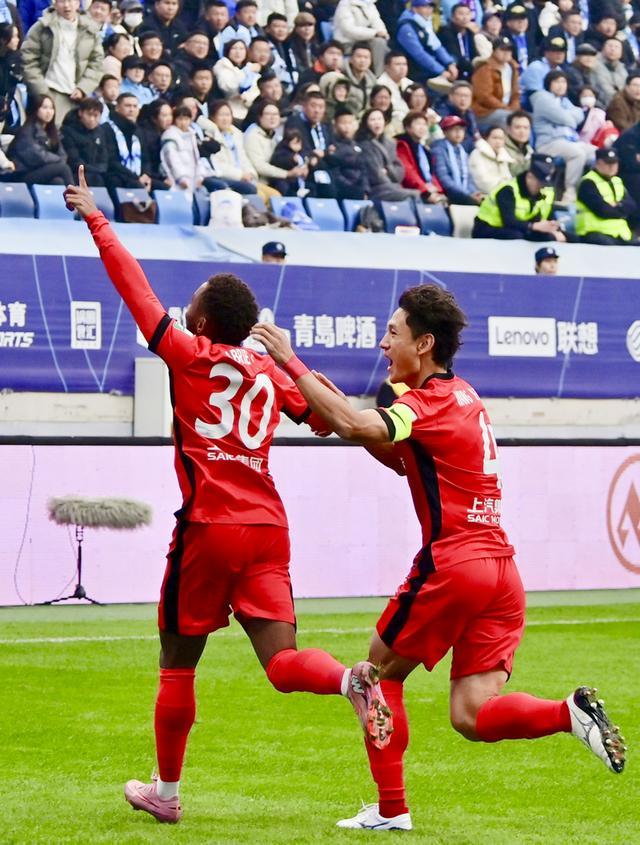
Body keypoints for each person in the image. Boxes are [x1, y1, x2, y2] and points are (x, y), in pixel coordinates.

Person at [64, 166, 391, 825]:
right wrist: (297, 366)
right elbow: (325, 416)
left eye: (193, 299)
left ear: (204, 318)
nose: (184, 304)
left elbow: (133, 287)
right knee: (283, 661)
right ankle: (345, 678)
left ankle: (166, 793)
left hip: (210, 525)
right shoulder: (269, 369)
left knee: (177, 660)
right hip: (268, 526)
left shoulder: (188, 352)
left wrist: (96, 218)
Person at [251, 285, 626, 833]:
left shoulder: (426, 403)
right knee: (471, 714)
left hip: (455, 563)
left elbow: (358, 425)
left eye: (393, 333)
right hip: (501, 573)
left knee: (376, 675)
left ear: (424, 344)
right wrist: (330, 407)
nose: (384, 344)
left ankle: (391, 810)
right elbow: (401, 457)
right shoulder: (463, 396)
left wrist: (291, 361)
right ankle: (567, 713)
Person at [21, 0, 104, 126]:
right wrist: (41, 90)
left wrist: (83, 88)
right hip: (50, 92)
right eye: (61, 1)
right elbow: (28, 59)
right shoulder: (42, 27)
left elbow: (97, 63)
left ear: (78, 3)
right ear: (54, 3)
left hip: (78, 95)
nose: (66, 5)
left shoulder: (91, 29)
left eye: (71, 1)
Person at [531, 69, 596, 203]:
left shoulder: (564, 101)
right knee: (577, 154)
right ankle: (570, 191)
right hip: (548, 143)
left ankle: (590, 190)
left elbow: (579, 114)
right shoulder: (542, 98)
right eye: (557, 82)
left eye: (563, 82)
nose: (561, 85)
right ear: (549, 84)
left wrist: (569, 117)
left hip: (569, 141)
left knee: (595, 153)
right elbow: (567, 119)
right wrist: (570, 118)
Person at [472, 153, 565, 240]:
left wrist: (553, 227)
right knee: (518, 235)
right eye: (539, 182)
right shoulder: (508, 190)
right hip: (488, 227)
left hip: (519, 227)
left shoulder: (545, 191)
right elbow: (509, 221)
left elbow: (547, 215)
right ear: (529, 177)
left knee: (557, 236)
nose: (542, 187)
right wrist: (534, 226)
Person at [575, 147, 638, 244]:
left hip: (621, 234)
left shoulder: (617, 181)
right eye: (608, 163)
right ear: (598, 163)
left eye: (615, 163)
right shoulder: (588, 182)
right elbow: (602, 210)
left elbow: (632, 206)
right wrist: (621, 208)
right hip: (595, 232)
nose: (612, 167)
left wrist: (617, 205)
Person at [8, 92, 73, 184]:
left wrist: (58, 160)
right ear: (36, 109)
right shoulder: (26, 131)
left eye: (51, 108)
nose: (49, 112)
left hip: (41, 170)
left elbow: (62, 154)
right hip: (23, 174)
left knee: (57, 182)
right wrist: (58, 160)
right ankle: (75, 193)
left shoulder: (52, 132)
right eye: (44, 108)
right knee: (63, 168)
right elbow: (36, 156)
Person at [357, 106, 420, 200]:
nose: (377, 122)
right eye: (373, 120)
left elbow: (400, 170)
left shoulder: (390, 143)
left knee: (416, 195)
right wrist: (390, 177)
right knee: (412, 195)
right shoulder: (363, 143)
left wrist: (388, 170)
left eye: (380, 119)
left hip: (392, 186)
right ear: (366, 123)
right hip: (375, 188)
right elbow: (375, 173)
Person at [395, 0, 457, 92]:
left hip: (430, 70)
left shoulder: (425, 23)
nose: (429, 10)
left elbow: (437, 46)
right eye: (425, 7)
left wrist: (450, 63)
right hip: (415, 72)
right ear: (415, 8)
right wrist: (441, 71)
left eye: (431, 7)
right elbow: (419, 54)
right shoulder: (406, 27)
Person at [245, 99, 307, 187]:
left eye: (275, 114)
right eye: (268, 114)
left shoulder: (275, 135)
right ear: (260, 117)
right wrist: (287, 174)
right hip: (259, 183)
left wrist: (303, 167)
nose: (272, 117)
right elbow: (260, 166)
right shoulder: (252, 135)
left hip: (276, 180)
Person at [431, 114, 484, 205]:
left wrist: (474, 192)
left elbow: (468, 178)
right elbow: (443, 178)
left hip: (464, 195)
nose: (458, 132)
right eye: (453, 129)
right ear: (444, 132)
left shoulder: (463, 152)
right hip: (448, 196)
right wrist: (467, 195)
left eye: (461, 129)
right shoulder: (438, 150)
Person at [395, 109, 447, 201]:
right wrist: (425, 190)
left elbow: (431, 174)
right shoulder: (401, 145)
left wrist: (438, 191)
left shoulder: (425, 149)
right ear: (408, 127)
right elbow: (409, 172)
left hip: (428, 189)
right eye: (418, 124)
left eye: (424, 124)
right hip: (414, 191)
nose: (422, 127)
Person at [471, 36, 520, 131]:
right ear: (494, 51)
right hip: (485, 112)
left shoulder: (512, 68)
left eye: (509, 50)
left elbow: (516, 93)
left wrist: (514, 107)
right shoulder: (485, 69)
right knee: (508, 118)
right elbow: (484, 96)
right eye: (502, 49)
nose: (506, 53)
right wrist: (505, 107)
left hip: (506, 109)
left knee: (524, 119)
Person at [61, 97, 112, 185]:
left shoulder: (100, 132)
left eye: (95, 116)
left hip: (97, 172)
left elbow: (104, 158)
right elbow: (74, 160)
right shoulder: (68, 131)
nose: (92, 119)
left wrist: (98, 170)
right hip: (76, 173)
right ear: (80, 113)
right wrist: (94, 170)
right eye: (89, 114)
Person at [332, 0, 390, 76]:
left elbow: (378, 24)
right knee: (379, 43)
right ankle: (379, 76)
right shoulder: (345, 4)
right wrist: (374, 33)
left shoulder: (370, 4)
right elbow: (348, 30)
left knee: (384, 44)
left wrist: (383, 34)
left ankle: (383, 76)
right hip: (347, 42)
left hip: (364, 40)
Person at [325, 104, 370, 199]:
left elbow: (364, 170)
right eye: (343, 123)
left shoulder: (357, 146)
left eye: (350, 123)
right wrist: (353, 189)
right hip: (344, 192)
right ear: (335, 124)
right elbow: (336, 174)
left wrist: (365, 189)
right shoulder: (332, 146)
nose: (347, 127)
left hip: (360, 191)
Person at [159, 103, 207, 193]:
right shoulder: (170, 136)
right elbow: (172, 160)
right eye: (180, 119)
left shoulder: (192, 135)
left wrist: (200, 176)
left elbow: (196, 157)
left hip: (193, 178)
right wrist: (180, 177)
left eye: (186, 119)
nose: (183, 122)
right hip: (177, 180)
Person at [214, 38, 261, 121]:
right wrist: (245, 72)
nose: (238, 52)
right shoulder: (222, 65)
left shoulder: (250, 68)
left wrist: (246, 97)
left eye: (241, 49)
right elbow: (229, 86)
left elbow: (256, 91)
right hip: (232, 112)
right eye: (234, 48)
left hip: (250, 111)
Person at [519, 35, 567, 104]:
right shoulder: (536, 67)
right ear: (546, 53)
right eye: (555, 51)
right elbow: (536, 96)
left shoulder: (559, 70)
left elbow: (562, 99)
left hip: (551, 105)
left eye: (562, 51)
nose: (559, 54)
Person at [438, 3, 480, 80]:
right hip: (453, 72)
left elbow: (474, 54)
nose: (465, 17)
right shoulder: (445, 31)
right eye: (461, 14)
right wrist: (474, 68)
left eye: (467, 14)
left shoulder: (469, 33)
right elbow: (454, 55)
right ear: (452, 17)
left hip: (470, 72)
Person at [468, 123, 514, 194]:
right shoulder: (477, 154)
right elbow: (483, 183)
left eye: (501, 138)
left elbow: (508, 179)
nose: (498, 141)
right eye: (495, 138)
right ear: (486, 138)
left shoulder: (503, 156)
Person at [437, 80, 480, 152]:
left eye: (466, 96)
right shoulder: (443, 113)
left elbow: (474, 135)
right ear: (451, 96)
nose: (463, 99)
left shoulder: (469, 114)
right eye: (460, 95)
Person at [265, 12, 299, 95]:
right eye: (276, 26)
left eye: (284, 27)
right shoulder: (265, 46)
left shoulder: (290, 46)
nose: (281, 30)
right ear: (268, 29)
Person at [342, 41, 377, 118]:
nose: (362, 60)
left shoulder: (373, 81)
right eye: (359, 56)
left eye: (366, 57)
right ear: (351, 59)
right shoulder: (342, 78)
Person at [591, 37, 628, 108]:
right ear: (602, 49)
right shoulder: (594, 64)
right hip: (601, 105)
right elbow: (605, 90)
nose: (613, 49)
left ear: (621, 53)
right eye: (610, 46)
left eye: (616, 47)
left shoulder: (622, 68)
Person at [502, 3, 535, 73]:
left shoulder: (531, 37)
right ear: (508, 22)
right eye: (516, 19)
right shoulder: (503, 38)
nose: (521, 22)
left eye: (523, 18)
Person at [504, 109, 533, 175]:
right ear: (508, 129)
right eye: (517, 127)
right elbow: (513, 173)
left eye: (526, 128)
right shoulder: (502, 149)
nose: (522, 131)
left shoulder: (528, 148)